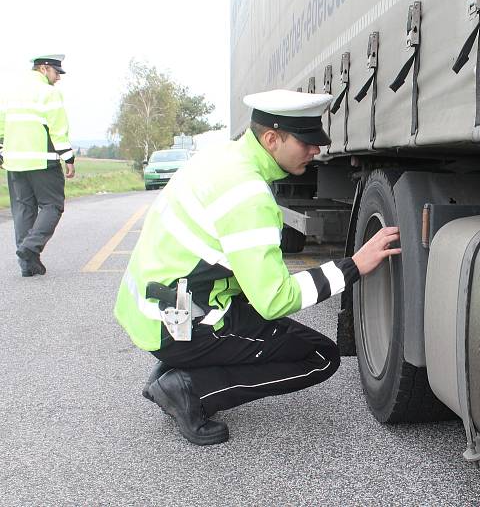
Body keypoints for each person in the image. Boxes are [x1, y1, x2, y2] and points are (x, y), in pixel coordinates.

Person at [114, 89, 401, 445]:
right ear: (271, 138)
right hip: (178, 323)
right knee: (319, 356)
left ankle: (175, 368)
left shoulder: (223, 158)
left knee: (264, 325)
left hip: (154, 309)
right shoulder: (248, 194)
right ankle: (188, 389)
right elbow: (274, 299)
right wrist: (353, 266)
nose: (317, 150)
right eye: (307, 141)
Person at [0, 54, 76, 276]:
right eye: (56, 72)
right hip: (43, 161)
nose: (58, 78)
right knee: (53, 206)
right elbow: (58, 129)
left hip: (14, 161)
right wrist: (68, 157)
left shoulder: (10, 91)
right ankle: (29, 248)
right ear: (43, 69)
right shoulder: (48, 93)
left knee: (23, 209)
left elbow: (1, 125)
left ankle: (28, 265)